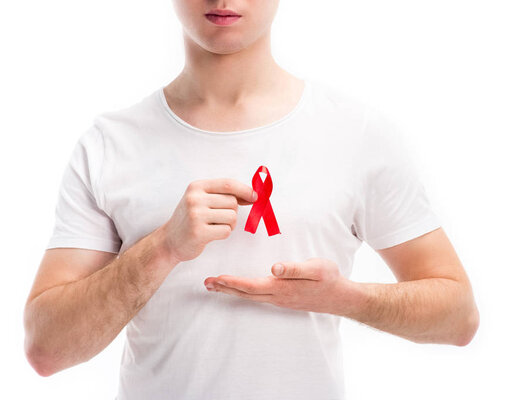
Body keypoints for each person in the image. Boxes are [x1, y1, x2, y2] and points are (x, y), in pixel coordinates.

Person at [23, 1, 479, 399]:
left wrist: (346, 298)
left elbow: (458, 317)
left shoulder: (356, 134)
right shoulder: (109, 145)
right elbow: (46, 349)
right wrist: (163, 248)